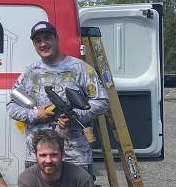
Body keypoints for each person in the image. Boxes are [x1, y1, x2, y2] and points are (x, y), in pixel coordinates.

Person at [7, 20, 109, 174]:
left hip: (74, 157)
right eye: (38, 41)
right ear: (34, 45)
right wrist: (36, 114)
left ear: (57, 39)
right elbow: (11, 106)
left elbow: (102, 102)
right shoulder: (30, 73)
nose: (43, 44)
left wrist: (75, 116)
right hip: (38, 157)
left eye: (47, 38)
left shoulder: (80, 69)